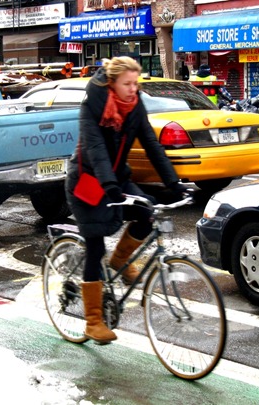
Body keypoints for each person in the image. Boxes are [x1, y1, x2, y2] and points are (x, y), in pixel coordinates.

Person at [65, 56, 192, 344]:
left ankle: (119, 262)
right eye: (127, 84)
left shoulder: (135, 106)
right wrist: (109, 184)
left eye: (136, 83)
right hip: (86, 181)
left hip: (115, 179)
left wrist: (174, 183)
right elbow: (95, 147)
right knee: (95, 245)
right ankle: (93, 321)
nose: (133, 89)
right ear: (112, 83)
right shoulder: (92, 105)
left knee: (146, 214)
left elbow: (150, 142)